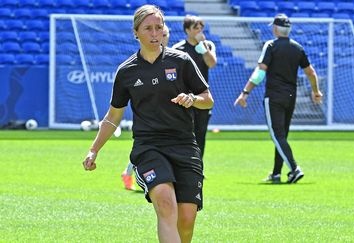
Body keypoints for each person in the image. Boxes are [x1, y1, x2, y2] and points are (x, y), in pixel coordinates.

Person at [82, 5, 214, 243]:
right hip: (148, 148)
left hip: (184, 145)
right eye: (148, 28)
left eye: (159, 27)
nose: (155, 33)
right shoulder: (126, 72)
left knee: (186, 219)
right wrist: (94, 150)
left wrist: (193, 99)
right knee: (165, 204)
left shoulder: (182, 61)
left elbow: (208, 100)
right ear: (136, 33)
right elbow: (113, 117)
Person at [234, 14, 323, 184]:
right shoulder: (298, 47)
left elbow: (260, 72)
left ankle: (295, 169)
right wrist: (316, 91)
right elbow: (311, 72)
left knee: (277, 135)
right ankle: (276, 173)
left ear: (275, 28)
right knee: (282, 136)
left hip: (274, 95)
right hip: (291, 96)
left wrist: (245, 92)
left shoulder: (271, 45)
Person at [121, 23, 170, 191]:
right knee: (145, 151)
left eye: (163, 35)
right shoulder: (139, 65)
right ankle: (128, 173)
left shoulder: (175, 61)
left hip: (169, 120)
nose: (159, 37)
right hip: (150, 122)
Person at [172, 15, 217, 167]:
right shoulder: (178, 49)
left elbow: (211, 64)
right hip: (184, 99)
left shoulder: (207, 46)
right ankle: (181, 165)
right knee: (183, 134)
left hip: (202, 98)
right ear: (187, 30)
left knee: (200, 135)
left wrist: (202, 47)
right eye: (195, 28)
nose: (199, 31)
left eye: (201, 28)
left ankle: (198, 167)